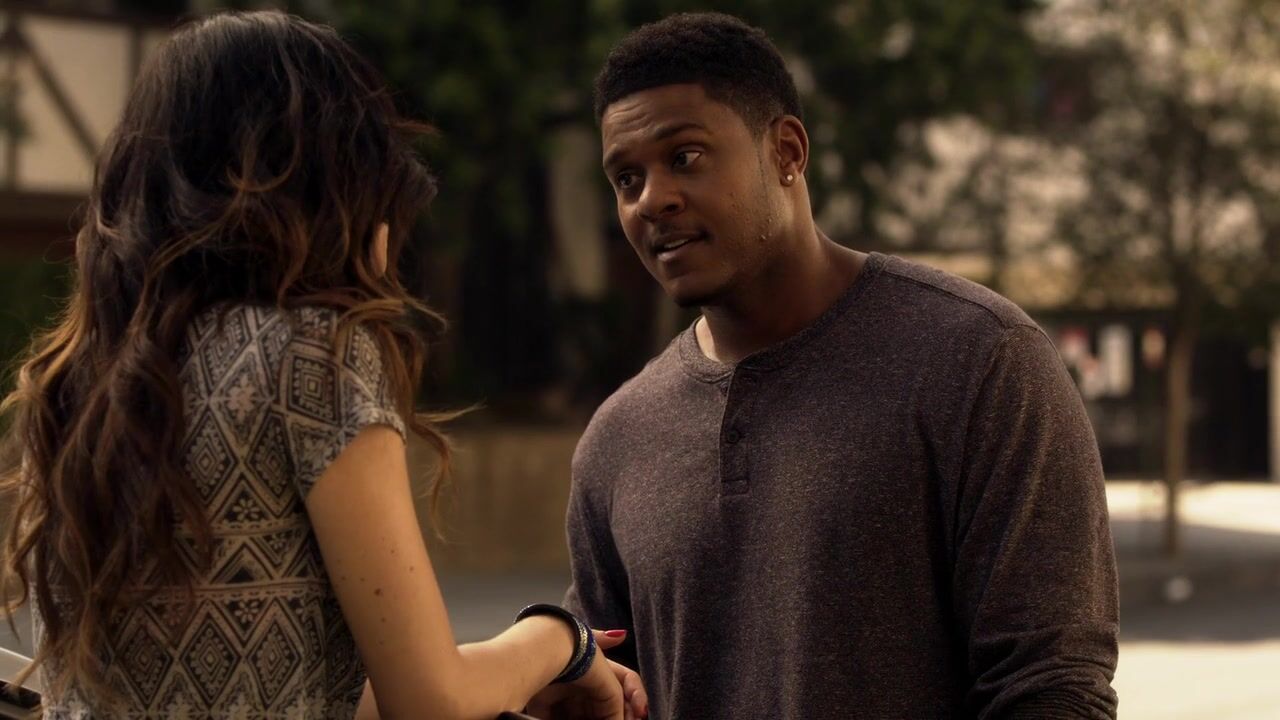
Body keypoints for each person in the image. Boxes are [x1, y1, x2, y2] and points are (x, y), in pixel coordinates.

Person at [0, 12, 646, 720]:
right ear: (337, 184)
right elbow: (429, 701)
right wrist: (559, 640)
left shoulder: (78, 378)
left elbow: (281, 684)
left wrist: (507, 676)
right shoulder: (311, 356)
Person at [561, 12, 1119, 719]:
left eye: (686, 156)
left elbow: (1053, 688)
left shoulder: (979, 361)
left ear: (786, 152)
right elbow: (602, 694)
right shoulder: (617, 439)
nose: (652, 200)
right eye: (626, 178)